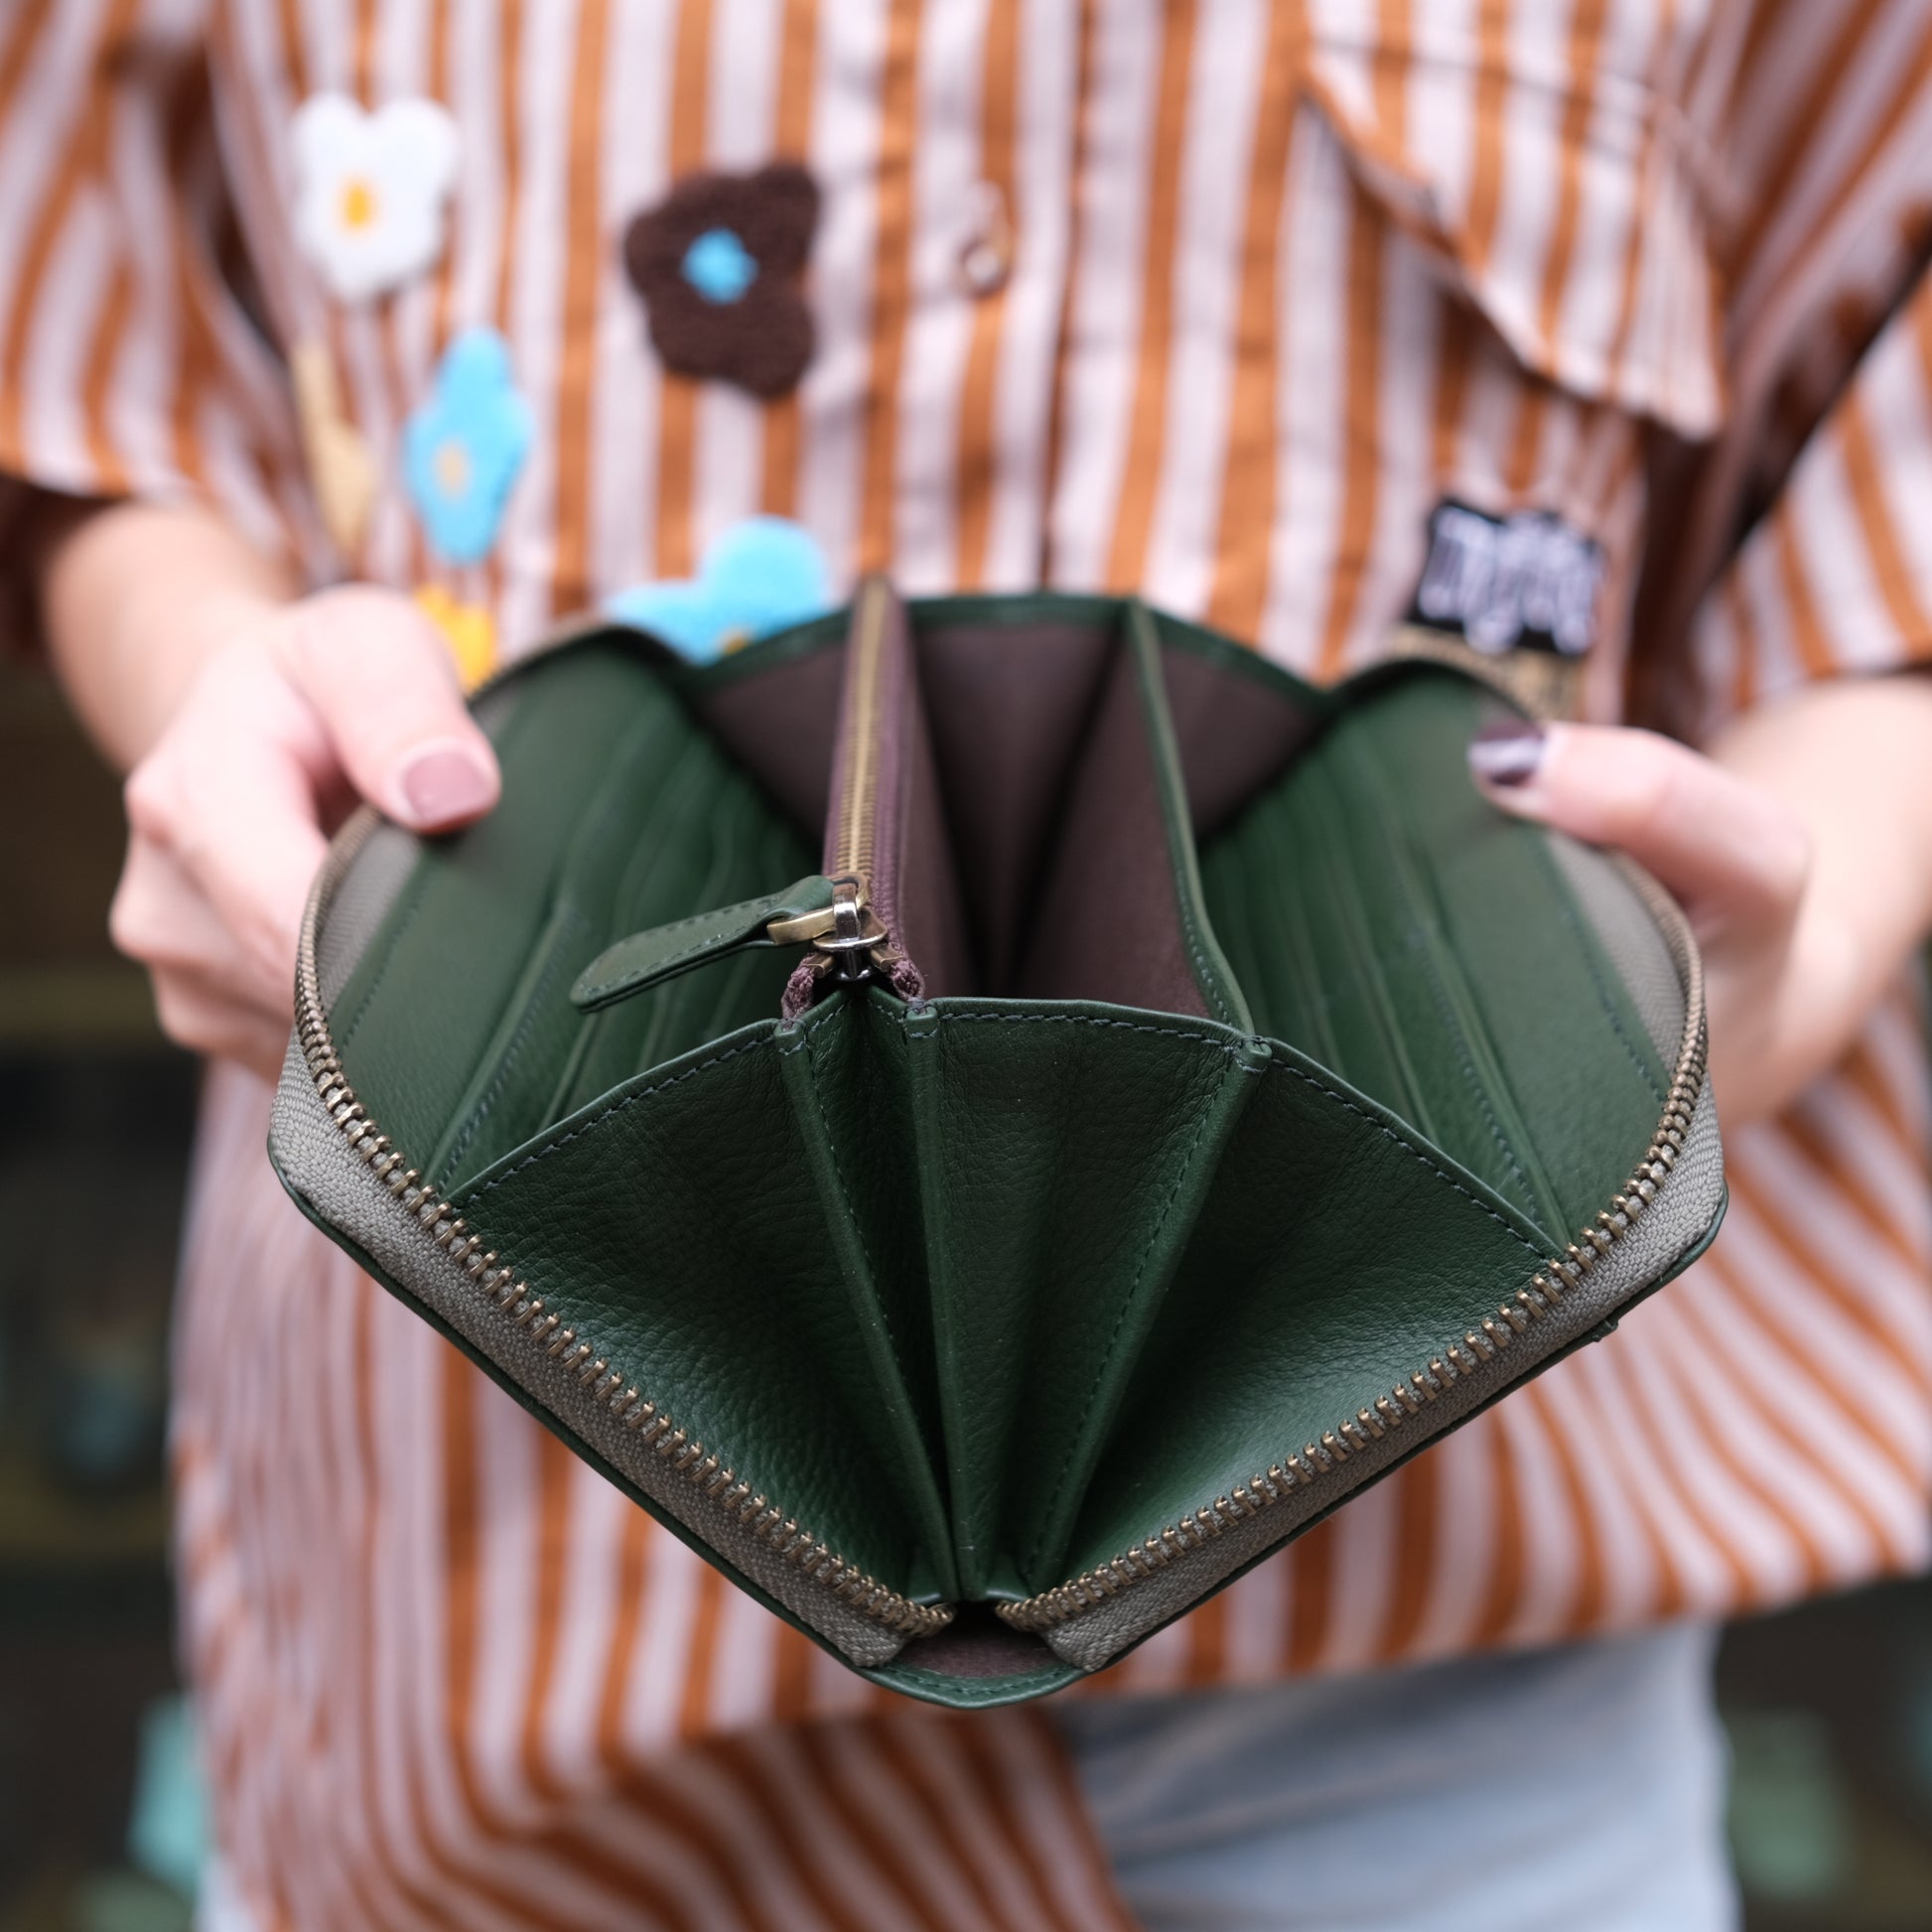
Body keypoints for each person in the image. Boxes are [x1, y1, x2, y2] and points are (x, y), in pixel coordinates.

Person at [8, 3, 1932, 1927]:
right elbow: (96, 333)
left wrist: (1814, 912)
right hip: (477, 1655)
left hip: (1419, 1708)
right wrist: (212, 690)